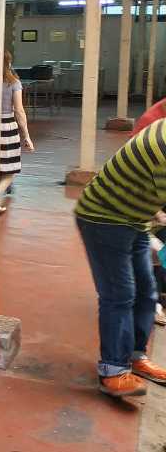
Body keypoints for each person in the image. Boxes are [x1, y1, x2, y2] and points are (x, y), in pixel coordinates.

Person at [75, 120, 166, 398]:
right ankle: (113, 370)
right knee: (120, 294)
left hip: (135, 218)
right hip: (104, 219)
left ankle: (135, 357)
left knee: (146, 292)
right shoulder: (163, 147)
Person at [0, 51, 34, 213]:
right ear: (9, 63)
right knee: (9, 171)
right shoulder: (14, 83)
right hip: (7, 127)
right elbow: (19, 110)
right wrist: (26, 135)